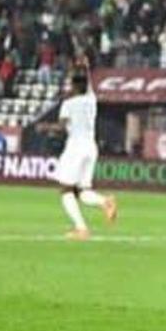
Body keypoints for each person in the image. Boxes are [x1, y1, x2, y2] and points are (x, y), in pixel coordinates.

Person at [50, 71, 117, 240]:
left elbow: (60, 127)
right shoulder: (91, 100)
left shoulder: (68, 104)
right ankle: (105, 202)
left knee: (66, 189)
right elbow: (88, 81)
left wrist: (45, 127)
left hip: (75, 148)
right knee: (82, 191)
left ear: (74, 87)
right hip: (90, 147)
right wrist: (84, 65)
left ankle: (81, 229)